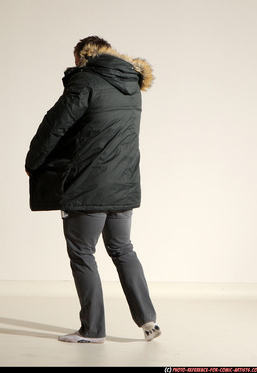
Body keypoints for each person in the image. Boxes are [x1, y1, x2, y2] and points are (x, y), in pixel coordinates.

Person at [25, 36, 160, 343]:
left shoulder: (85, 81)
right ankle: (148, 320)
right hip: (123, 184)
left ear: (82, 56)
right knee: (123, 249)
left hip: (88, 185)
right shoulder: (131, 87)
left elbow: (55, 125)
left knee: (83, 252)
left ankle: (93, 330)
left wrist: (33, 161)